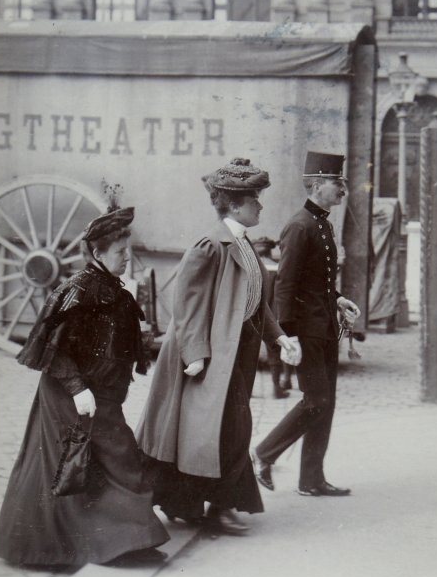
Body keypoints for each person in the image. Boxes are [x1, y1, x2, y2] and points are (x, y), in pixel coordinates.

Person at [0, 205, 170, 567]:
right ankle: (66, 547)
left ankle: (124, 541)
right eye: (120, 252)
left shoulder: (112, 289)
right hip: (72, 397)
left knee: (107, 463)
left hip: (101, 396)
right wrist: (77, 388)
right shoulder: (77, 291)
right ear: (97, 253)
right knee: (82, 467)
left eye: (127, 251)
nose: (126, 259)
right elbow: (51, 347)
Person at [136, 158, 297, 536]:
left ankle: (192, 503)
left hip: (235, 352)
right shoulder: (211, 246)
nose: (260, 205)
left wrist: (279, 336)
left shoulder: (242, 245)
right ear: (236, 205)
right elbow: (186, 306)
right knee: (216, 430)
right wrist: (194, 356)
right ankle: (217, 506)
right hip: (208, 358)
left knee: (217, 430)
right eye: (255, 199)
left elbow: (257, 301)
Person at [250, 151, 361, 496]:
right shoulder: (299, 225)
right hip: (308, 332)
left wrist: (338, 298)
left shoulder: (321, 223)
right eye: (335, 182)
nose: (343, 188)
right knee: (316, 400)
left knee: (325, 404)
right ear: (315, 185)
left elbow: (317, 281)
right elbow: (285, 284)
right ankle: (263, 454)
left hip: (325, 327)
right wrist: (288, 336)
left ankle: (311, 480)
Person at [252, 236, 293, 399]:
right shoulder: (279, 269)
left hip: (253, 317)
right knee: (275, 352)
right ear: (270, 251)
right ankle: (277, 387)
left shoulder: (252, 268)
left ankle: (248, 391)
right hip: (273, 316)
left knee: (249, 353)